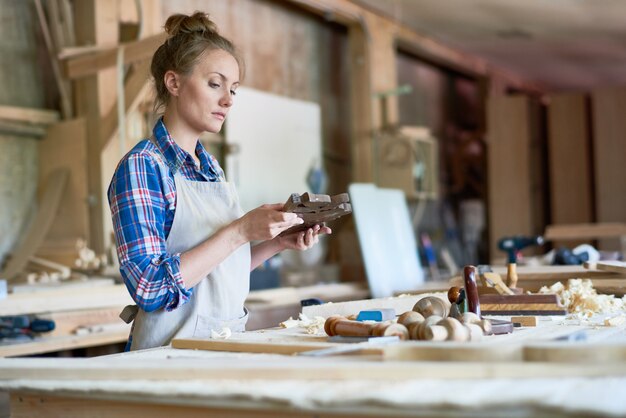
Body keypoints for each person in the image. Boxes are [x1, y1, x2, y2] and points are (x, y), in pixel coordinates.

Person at [108, 11, 330, 351]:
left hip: (219, 349)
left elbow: (217, 271)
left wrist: (275, 242)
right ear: (174, 83)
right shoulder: (142, 167)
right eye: (215, 84)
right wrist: (240, 230)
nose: (228, 100)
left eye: (233, 89)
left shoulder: (209, 167)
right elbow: (150, 289)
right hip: (164, 364)